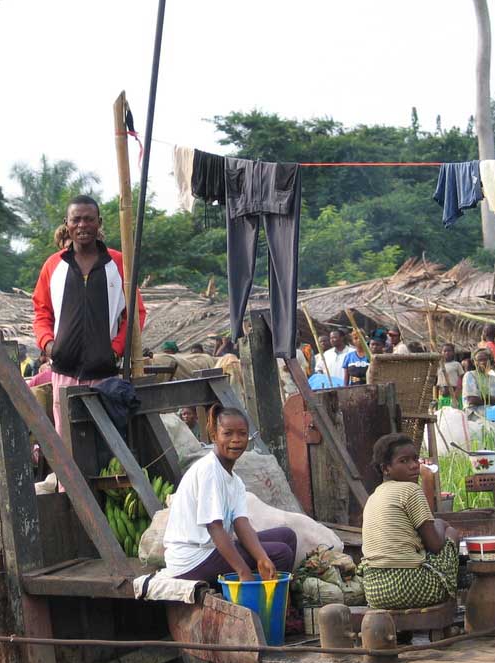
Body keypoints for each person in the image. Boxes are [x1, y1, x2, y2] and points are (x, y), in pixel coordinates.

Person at [32, 195, 145, 432]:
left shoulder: (118, 263)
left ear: (99, 222)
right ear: (67, 224)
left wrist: (115, 349)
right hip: (64, 372)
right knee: (67, 437)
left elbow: (136, 314)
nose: (82, 225)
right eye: (76, 220)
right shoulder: (53, 265)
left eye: (89, 219)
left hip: (105, 374)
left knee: (107, 439)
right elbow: (41, 311)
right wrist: (49, 345)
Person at [164, 405, 297, 584]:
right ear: (214, 436)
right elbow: (215, 527)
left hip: (211, 550)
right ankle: (260, 599)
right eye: (227, 434)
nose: (236, 440)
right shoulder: (209, 470)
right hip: (192, 559)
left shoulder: (235, 481)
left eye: (242, 434)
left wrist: (261, 557)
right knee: (281, 553)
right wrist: (243, 571)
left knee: (287, 536)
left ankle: (271, 590)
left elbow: (241, 523)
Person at [361, 433, 459, 610]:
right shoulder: (410, 490)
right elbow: (435, 545)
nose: (414, 466)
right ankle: (449, 604)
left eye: (415, 459)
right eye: (404, 461)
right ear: (386, 469)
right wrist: (442, 524)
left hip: (374, 590)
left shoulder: (374, 495)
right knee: (450, 533)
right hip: (408, 587)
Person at [462, 348, 495, 418]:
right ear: (474, 362)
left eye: (485, 359)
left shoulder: (494, 379)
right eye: (479, 360)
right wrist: (494, 399)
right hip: (476, 417)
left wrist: (484, 397)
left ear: (489, 361)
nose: (482, 362)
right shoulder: (470, 375)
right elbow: (471, 399)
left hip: (492, 415)